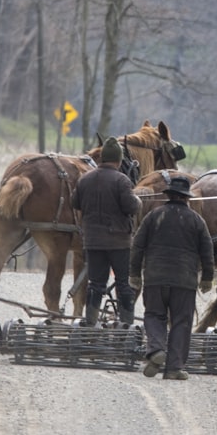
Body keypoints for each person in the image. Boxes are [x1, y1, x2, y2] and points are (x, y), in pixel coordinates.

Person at [130, 176, 214, 380]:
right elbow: (207, 251)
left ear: (168, 195)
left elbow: (138, 246)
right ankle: (175, 367)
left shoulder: (153, 216)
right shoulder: (197, 220)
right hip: (184, 281)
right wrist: (207, 278)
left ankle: (156, 350)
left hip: (155, 278)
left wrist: (134, 273)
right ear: (186, 198)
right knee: (181, 322)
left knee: (154, 315)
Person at [71, 136, 141, 327]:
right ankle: (126, 325)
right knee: (123, 284)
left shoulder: (84, 180)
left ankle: (91, 322)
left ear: (101, 158)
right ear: (118, 160)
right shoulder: (122, 181)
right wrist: (138, 200)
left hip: (93, 242)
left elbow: (74, 203)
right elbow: (131, 207)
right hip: (119, 243)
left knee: (95, 284)